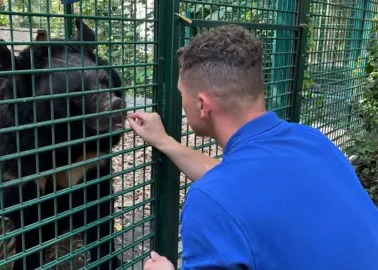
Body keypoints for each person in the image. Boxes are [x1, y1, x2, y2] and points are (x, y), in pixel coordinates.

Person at [127, 24, 378, 270]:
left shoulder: (209, 203)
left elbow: (228, 191)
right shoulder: (313, 140)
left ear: (202, 105)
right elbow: (242, 185)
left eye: (182, 94)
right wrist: (164, 142)